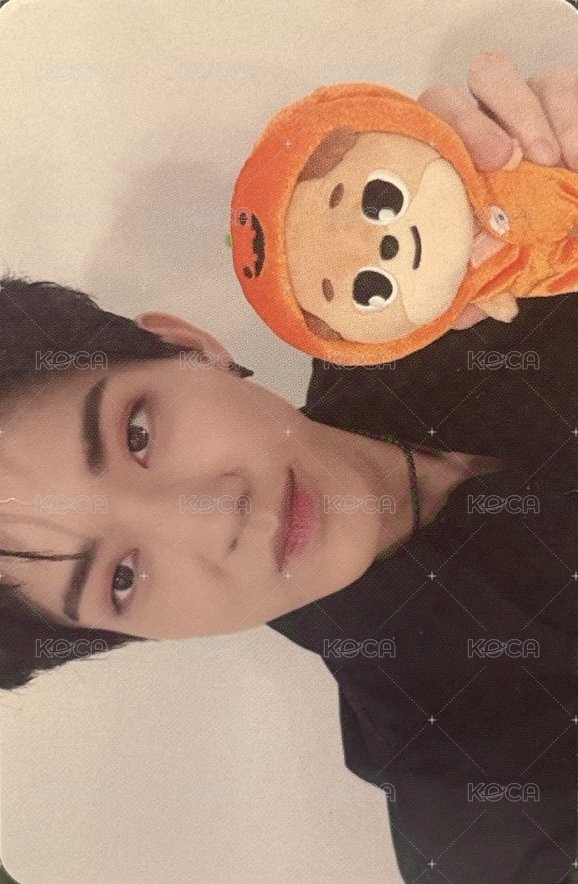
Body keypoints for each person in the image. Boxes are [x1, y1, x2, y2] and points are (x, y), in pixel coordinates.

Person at [0, 52, 575, 882]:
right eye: (122, 578)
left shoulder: (436, 261)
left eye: (137, 435)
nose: (212, 517)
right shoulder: (480, 805)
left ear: (188, 347)